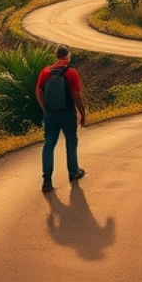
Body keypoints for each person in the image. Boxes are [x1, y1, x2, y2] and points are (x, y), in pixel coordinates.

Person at [36, 44, 88, 191]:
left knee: (49, 144)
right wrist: (82, 113)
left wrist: (45, 108)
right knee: (71, 142)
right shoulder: (71, 73)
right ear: (68, 56)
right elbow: (77, 95)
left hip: (50, 114)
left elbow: (38, 91)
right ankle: (73, 172)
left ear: (56, 56)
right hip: (67, 113)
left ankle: (47, 180)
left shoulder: (46, 72)